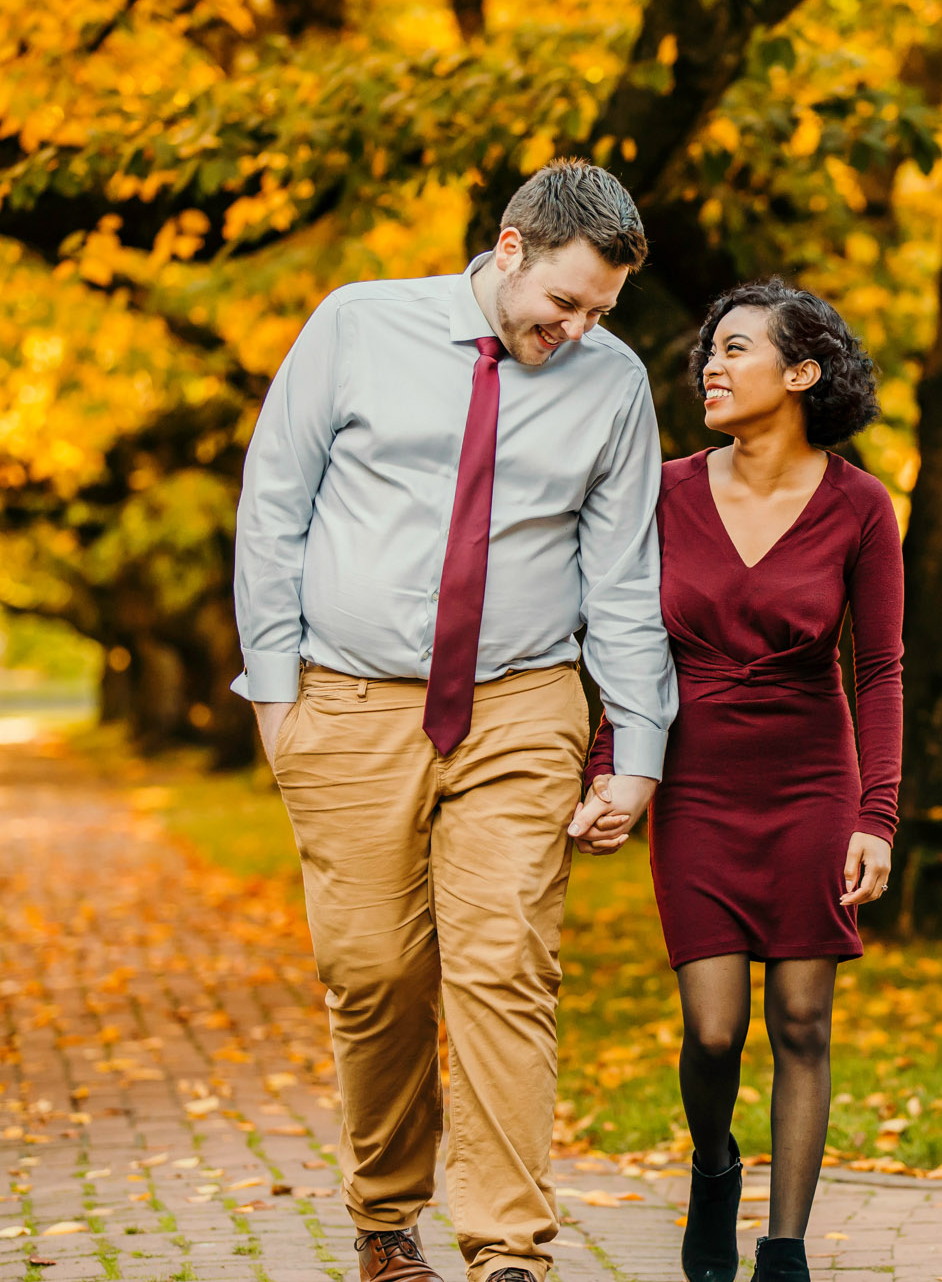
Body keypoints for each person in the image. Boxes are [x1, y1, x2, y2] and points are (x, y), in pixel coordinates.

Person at [231, 160, 677, 1282]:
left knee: (503, 964)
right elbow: (273, 507)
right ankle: (386, 1212)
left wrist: (636, 750)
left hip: (524, 701)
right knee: (373, 970)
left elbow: (621, 575)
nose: (572, 330)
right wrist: (277, 699)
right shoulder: (356, 324)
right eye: (561, 302)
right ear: (510, 248)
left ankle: (506, 1247)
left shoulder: (612, 383)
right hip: (348, 698)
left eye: (598, 313)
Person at [572, 279, 904, 1282]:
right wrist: (609, 768)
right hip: (698, 781)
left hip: (810, 774)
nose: (710, 366)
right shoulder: (663, 491)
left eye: (735, 349)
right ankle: (714, 1165)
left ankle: (783, 1249)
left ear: (800, 373)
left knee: (801, 1020)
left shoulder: (860, 505)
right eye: (708, 352)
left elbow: (880, 669)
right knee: (712, 1028)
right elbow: (622, 643)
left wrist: (873, 817)